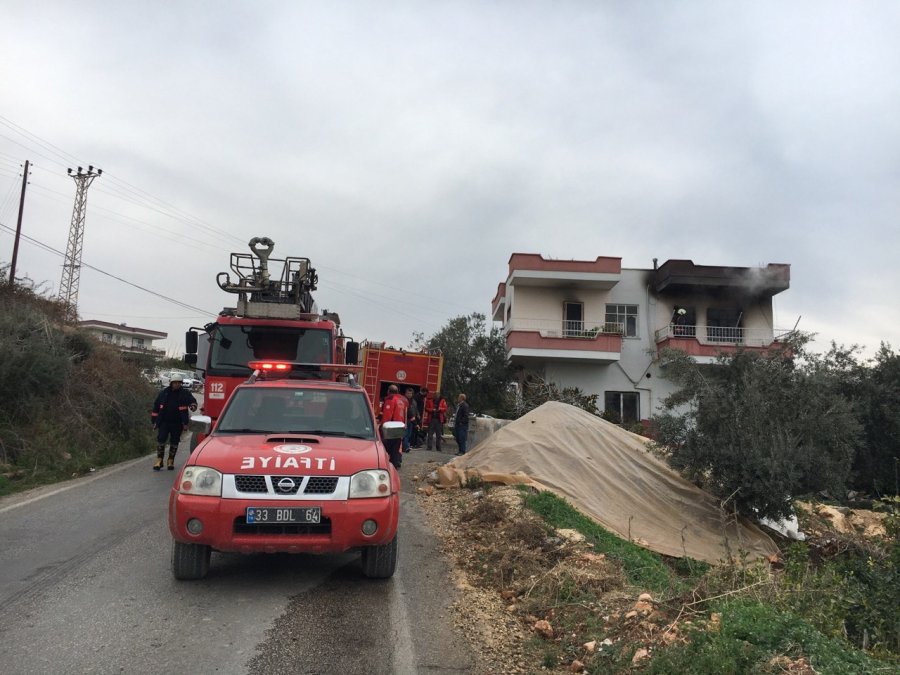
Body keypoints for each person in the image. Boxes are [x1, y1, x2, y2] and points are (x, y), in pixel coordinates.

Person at [150, 373, 197, 471]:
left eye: (179, 383)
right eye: (175, 383)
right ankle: (159, 460)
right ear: (171, 383)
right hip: (164, 421)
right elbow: (156, 406)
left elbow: (192, 401)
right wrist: (154, 421)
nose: (177, 384)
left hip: (178, 423)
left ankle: (170, 460)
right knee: (161, 439)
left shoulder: (185, 393)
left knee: (175, 441)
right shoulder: (164, 393)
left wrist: (193, 406)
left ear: (181, 383)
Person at [380, 384, 408, 469]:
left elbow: (387, 415)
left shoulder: (390, 399)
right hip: (400, 427)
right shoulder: (402, 400)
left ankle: (385, 465)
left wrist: (382, 427)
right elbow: (405, 414)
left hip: (391, 428)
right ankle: (394, 465)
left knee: (385, 446)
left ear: (388, 391)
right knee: (396, 449)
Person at [403, 387, 418, 453]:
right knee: (405, 434)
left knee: (409, 434)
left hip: (412, 420)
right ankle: (406, 447)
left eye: (410, 393)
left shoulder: (414, 401)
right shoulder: (403, 400)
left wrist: (417, 415)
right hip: (405, 419)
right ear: (405, 393)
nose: (409, 394)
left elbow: (415, 409)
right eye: (408, 393)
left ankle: (406, 446)